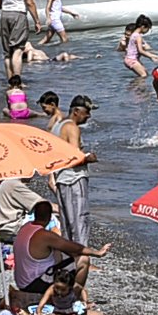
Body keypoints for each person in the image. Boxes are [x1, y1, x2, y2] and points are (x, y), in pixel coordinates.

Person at [9, 200, 107, 315]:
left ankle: (71, 295)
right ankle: (71, 300)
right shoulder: (43, 235)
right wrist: (97, 253)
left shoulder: (26, 227)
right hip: (34, 283)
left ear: (34, 214)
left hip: (22, 281)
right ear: (50, 216)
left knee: (59, 254)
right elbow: (74, 248)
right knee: (83, 260)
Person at [50, 96, 98, 242]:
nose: (89, 115)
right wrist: (89, 158)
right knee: (79, 220)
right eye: (87, 112)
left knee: (67, 222)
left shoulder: (57, 126)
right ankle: (82, 257)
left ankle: (69, 259)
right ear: (76, 111)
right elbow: (74, 157)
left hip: (61, 178)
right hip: (74, 179)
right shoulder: (72, 127)